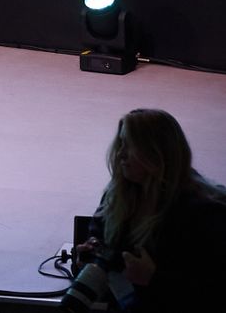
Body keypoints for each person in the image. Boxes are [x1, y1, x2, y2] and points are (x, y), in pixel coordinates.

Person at [69, 109, 226, 311]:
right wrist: (88, 258)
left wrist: (155, 279)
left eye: (129, 146)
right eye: (120, 144)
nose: (120, 154)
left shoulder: (206, 212)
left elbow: (215, 289)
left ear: (156, 152)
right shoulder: (116, 197)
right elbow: (101, 244)